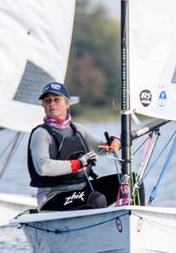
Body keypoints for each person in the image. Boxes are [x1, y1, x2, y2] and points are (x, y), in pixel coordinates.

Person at [27, 82, 122, 211]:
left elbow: (104, 149)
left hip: (81, 189)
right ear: (43, 105)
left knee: (130, 183)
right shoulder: (41, 134)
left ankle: (134, 226)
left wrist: (116, 141)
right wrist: (79, 163)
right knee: (96, 199)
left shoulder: (78, 130)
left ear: (67, 103)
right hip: (53, 197)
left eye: (56, 99)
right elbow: (43, 168)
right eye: (47, 100)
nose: (51, 103)